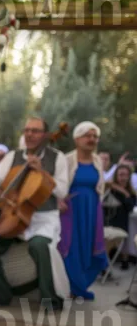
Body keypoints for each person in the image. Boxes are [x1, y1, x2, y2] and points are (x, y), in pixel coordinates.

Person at [0, 117, 70, 311]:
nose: (30, 134)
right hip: (11, 215)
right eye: (27, 130)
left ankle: (50, 297)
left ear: (45, 135)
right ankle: (1, 291)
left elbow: (62, 191)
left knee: (40, 245)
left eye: (35, 131)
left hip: (43, 218)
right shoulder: (13, 156)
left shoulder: (57, 157)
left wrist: (43, 173)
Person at [59, 121, 108, 300]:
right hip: (71, 211)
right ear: (77, 138)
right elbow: (57, 185)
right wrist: (59, 200)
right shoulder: (66, 160)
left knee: (89, 247)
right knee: (70, 247)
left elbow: (100, 187)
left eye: (95, 136)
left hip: (92, 210)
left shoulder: (97, 161)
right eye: (88, 135)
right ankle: (71, 287)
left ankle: (80, 286)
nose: (92, 139)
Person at [103, 164, 137, 270]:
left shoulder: (130, 193)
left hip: (122, 223)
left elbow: (131, 207)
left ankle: (124, 260)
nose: (123, 178)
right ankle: (105, 265)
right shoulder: (110, 189)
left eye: (126, 175)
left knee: (130, 230)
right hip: (108, 222)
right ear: (116, 176)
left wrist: (124, 193)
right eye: (121, 175)